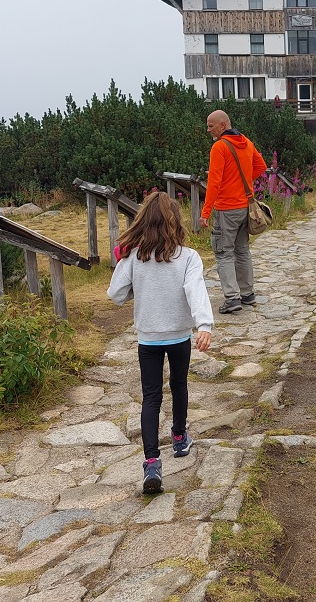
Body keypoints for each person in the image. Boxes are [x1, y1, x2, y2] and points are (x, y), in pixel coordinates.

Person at [107, 191, 213, 495]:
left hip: (148, 339)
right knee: (179, 385)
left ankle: (152, 462)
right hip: (180, 336)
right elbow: (196, 291)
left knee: (151, 397)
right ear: (175, 221)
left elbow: (115, 294)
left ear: (143, 221)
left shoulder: (133, 257)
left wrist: (133, 285)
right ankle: (179, 438)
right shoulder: (188, 257)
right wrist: (203, 325)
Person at [202, 109, 267, 314]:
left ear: (223, 125)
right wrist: (243, 183)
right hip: (245, 207)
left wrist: (205, 213)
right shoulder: (246, 142)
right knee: (242, 251)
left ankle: (231, 298)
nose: (208, 129)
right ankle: (247, 294)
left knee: (223, 253)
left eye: (211, 126)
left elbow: (214, 182)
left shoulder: (219, 147)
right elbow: (261, 166)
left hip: (226, 209)